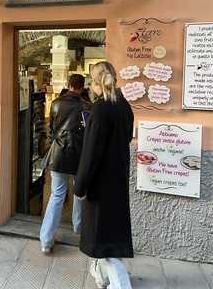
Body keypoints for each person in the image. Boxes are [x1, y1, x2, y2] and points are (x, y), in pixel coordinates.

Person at [74, 61, 134, 289]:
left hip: (100, 186)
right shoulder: (124, 105)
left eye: (91, 80)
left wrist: (80, 187)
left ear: (96, 82)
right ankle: (100, 277)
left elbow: (91, 153)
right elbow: (126, 138)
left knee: (104, 242)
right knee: (105, 238)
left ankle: (121, 285)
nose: (89, 84)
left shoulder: (100, 109)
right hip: (117, 180)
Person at [40, 74, 90, 253]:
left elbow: (52, 130)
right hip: (79, 157)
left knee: (57, 196)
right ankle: (78, 228)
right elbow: (88, 134)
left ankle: (46, 240)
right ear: (82, 87)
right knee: (79, 193)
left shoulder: (56, 104)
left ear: (69, 85)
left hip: (59, 156)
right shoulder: (87, 107)